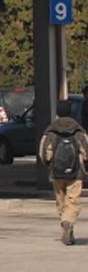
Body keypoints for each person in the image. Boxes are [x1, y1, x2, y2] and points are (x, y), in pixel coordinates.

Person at [38, 99, 88, 246]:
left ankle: (66, 227)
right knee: (72, 201)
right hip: (76, 172)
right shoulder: (78, 131)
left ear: (57, 112)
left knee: (61, 202)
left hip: (57, 172)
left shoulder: (51, 131)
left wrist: (49, 165)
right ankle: (68, 222)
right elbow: (86, 152)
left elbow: (44, 153)